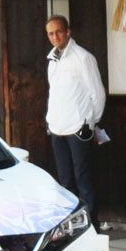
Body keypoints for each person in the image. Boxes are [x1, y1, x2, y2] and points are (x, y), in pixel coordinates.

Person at [45, 15, 108, 231]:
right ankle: (71, 227)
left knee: (83, 178)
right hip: (57, 128)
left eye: (59, 32)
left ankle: (92, 225)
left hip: (78, 128)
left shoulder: (83, 58)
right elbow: (54, 94)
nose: (55, 37)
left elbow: (97, 94)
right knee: (65, 181)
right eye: (51, 33)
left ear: (68, 31)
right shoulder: (52, 59)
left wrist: (90, 122)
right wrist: (50, 120)